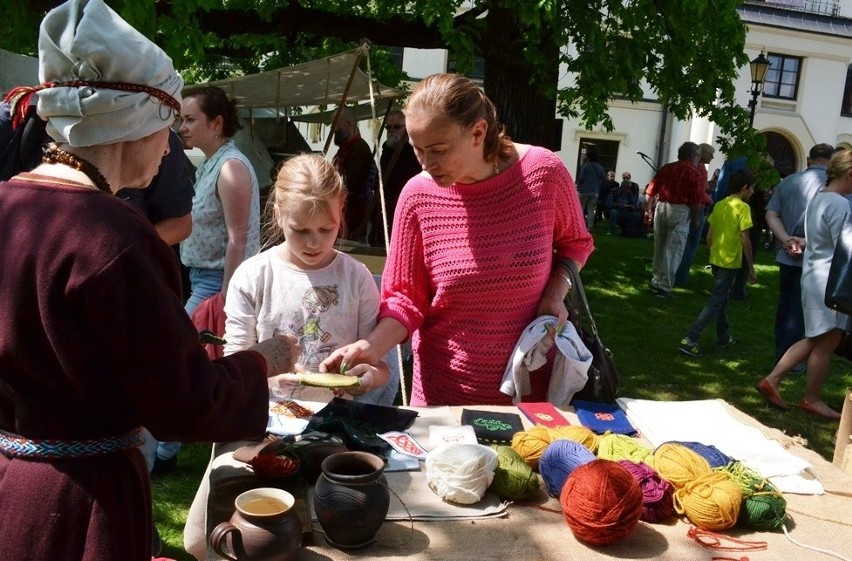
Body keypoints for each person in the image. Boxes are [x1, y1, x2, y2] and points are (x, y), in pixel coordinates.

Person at [0, 2, 300, 560]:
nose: (169, 148)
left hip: (10, 490)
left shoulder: (8, 206)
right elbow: (184, 404)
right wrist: (263, 358)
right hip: (88, 503)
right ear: (133, 122)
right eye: (166, 129)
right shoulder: (115, 237)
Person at [320, 73, 594, 406]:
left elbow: (576, 242)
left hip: (530, 390)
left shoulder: (544, 172)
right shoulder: (418, 195)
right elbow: (405, 298)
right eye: (417, 150)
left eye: (438, 150)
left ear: (478, 132)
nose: (426, 163)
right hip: (445, 395)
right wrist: (372, 347)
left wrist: (555, 292)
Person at [224, 153, 393, 404]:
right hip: (269, 419)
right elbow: (233, 364)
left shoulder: (357, 277)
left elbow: (380, 366)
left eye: (326, 229)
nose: (314, 242)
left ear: (341, 208)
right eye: (301, 230)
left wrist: (369, 378)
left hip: (338, 422)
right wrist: (267, 380)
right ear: (279, 215)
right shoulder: (252, 276)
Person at [756, 148, 852, 420]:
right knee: (826, 341)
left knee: (815, 338)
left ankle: (772, 380)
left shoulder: (821, 199)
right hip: (829, 281)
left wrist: (803, 242)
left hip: (814, 277)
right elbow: (846, 246)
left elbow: (823, 240)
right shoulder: (840, 204)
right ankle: (811, 398)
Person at [179, 84, 261, 316]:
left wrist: (227, 298)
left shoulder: (230, 167)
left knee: (183, 346)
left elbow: (239, 240)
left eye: (190, 119)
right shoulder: (212, 163)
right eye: (182, 120)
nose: (182, 127)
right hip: (202, 278)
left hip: (216, 282)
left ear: (216, 123)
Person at [764, 143, 835, 365]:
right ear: (830, 161)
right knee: (801, 310)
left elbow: (771, 213)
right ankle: (790, 359)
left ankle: (780, 350)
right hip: (815, 256)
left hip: (787, 252)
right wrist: (802, 243)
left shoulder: (788, 182)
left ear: (808, 159)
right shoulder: (833, 187)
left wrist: (786, 240)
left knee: (785, 303)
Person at [678, 169, 757, 357]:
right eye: (752, 189)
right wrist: (751, 268)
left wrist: (712, 254)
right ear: (744, 188)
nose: (753, 193)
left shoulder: (720, 204)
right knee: (715, 301)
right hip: (730, 262)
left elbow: (709, 236)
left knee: (721, 299)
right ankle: (690, 338)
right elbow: (746, 240)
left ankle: (723, 335)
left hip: (717, 259)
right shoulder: (743, 208)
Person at [644, 141, 707, 299]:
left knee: (659, 247)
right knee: (674, 250)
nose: (699, 159)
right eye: (698, 156)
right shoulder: (694, 173)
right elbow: (695, 200)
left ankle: (656, 281)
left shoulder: (667, 168)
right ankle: (664, 287)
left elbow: (650, 190)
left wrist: (648, 209)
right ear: (692, 156)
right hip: (680, 210)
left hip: (662, 207)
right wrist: (695, 219)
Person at [369, 109, 421, 246]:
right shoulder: (386, 150)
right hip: (384, 212)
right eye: (388, 127)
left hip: (403, 212)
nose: (392, 131)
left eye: (397, 127)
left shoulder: (414, 154)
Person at [332, 105, 377, 239]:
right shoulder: (346, 148)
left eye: (337, 124)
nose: (334, 129)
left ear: (349, 124)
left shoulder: (359, 149)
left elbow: (351, 184)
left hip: (354, 216)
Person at [674, 142, 716, 287]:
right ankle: (680, 277)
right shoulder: (701, 170)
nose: (712, 157)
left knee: (679, 244)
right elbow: (699, 193)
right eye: (710, 154)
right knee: (691, 245)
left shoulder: (688, 167)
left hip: (683, 207)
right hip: (697, 209)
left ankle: (672, 274)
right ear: (702, 154)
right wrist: (709, 199)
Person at [576, 146, 606, 229]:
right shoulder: (600, 168)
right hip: (594, 191)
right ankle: (590, 227)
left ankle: (580, 225)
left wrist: (578, 186)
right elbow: (603, 179)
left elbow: (581, 178)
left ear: (588, 157)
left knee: (581, 209)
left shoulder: (585, 166)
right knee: (591, 210)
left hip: (583, 191)